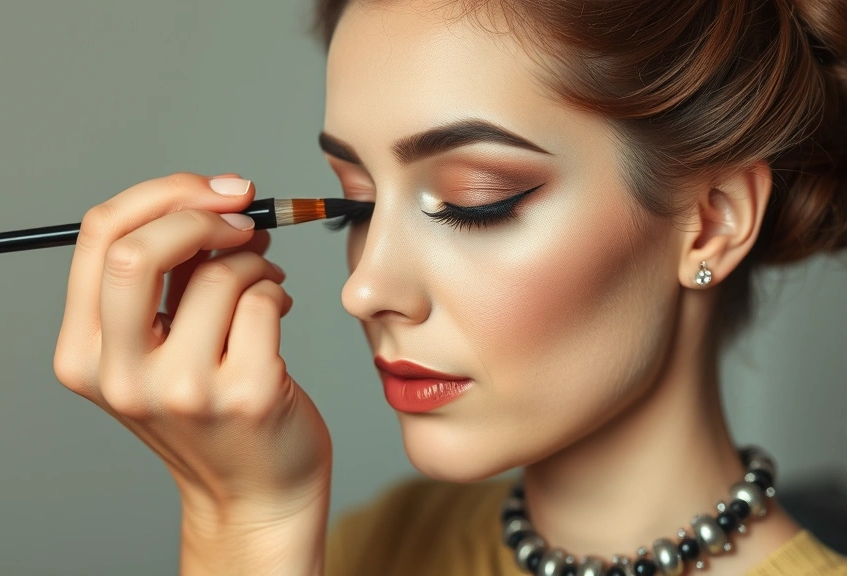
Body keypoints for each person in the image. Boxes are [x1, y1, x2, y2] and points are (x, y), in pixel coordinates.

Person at [51, 0, 847, 574]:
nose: (365, 289)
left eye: (473, 202)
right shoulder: (358, 551)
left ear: (711, 221)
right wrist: (249, 524)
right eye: (353, 207)